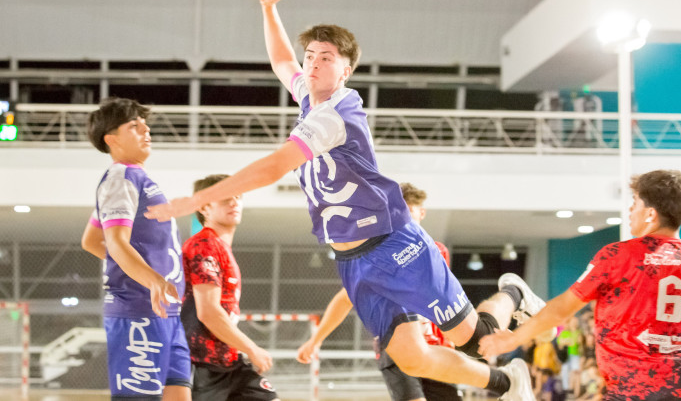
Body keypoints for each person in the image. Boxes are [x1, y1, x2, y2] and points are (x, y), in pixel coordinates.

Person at [146, 0, 551, 398]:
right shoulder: (308, 97)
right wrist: (268, 8)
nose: (313, 64)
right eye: (312, 57)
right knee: (410, 357)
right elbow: (283, 61)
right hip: (353, 261)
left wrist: (196, 200)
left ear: (345, 70)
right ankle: (508, 383)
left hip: (394, 245)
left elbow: (274, 166)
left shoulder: (338, 113)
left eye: (326, 58)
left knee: (475, 340)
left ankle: (512, 291)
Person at [480, 169, 681, 400]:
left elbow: (562, 309)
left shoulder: (618, 256)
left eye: (635, 203)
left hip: (636, 389)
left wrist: (513, 339)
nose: (631, 210)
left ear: (650, 214)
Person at [296, 182, 461, 401]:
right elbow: (345, 299)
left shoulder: (437, 251)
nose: (402, 220)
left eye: (408, 213)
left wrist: (456, 335)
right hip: (398, 344)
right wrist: (315, 339)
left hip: (436, 349)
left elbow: (445, 297)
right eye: (396, 214)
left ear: (421, 213)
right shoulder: (379, 255)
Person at [80, 97, 191, 401]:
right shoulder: (120, 177)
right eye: (134, 125)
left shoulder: (138, 179)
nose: (146, 129)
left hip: (165, 312)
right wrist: (150, 279)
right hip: (139, 313)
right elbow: (114, 242)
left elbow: (91, 240)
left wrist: (138, 267)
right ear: (111, 139)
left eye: (145, 124)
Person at [180, 174, 279, 401]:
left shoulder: (220, 247)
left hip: (230, 363)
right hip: (202, 365)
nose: (234, 202)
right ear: (204, 207)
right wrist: (252, 349)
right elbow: (208, 312)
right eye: (225, 198)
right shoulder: (203, 245)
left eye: (237, 196)